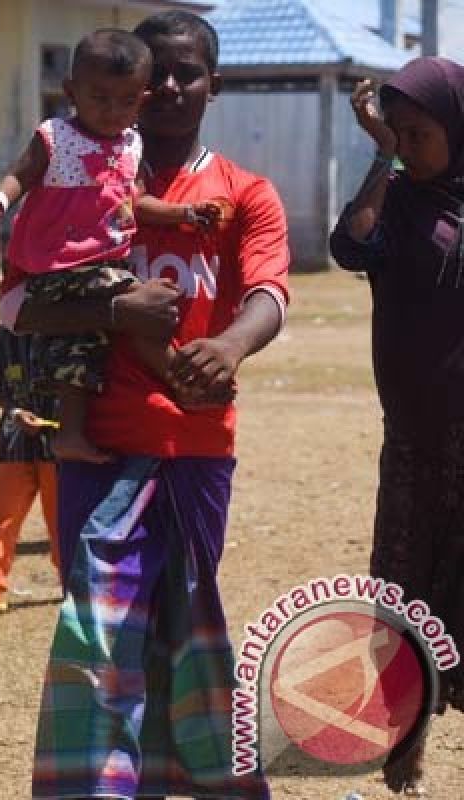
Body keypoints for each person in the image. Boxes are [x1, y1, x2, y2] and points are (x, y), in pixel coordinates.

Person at [19, 12, 290, 799]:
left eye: (187, 74)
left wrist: (231, 346)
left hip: (200, 449)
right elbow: (22, 304)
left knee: (186, 641)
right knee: (99, 639)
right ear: (128, 87)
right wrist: (114, 313)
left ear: (215, 85)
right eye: (156, 75)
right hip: (98, 448)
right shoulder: (77, 186)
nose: (170, 88)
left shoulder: (246, 192)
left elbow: (270, 291)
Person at [0, 28, 224, 465]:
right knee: (147, 302)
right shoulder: (55, 136)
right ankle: (176, 374)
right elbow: (21, 174)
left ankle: (70, 434)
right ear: (71, 92)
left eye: (126, 101)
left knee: (79, 350)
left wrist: (184, 214)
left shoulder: (131, 145)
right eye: (100, 98)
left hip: (100, 262)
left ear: (141, 100)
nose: (113, 112)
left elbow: (138, 202)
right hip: (54, 264)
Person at [329, 56, 464, 797]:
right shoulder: (400, 202)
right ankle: (407, 738)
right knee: (409, 591)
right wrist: (380, 153)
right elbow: (350, 246)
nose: (409, 145)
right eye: (399, 132)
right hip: (414, 437)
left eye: (420, 133)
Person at [0, 326, 61, 615]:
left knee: (61, 519)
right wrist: (16, 412)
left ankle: (74, 585)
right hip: (14, 443)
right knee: (4, 516)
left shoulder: (70, 330)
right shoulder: (6, 335)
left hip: (58, 445)